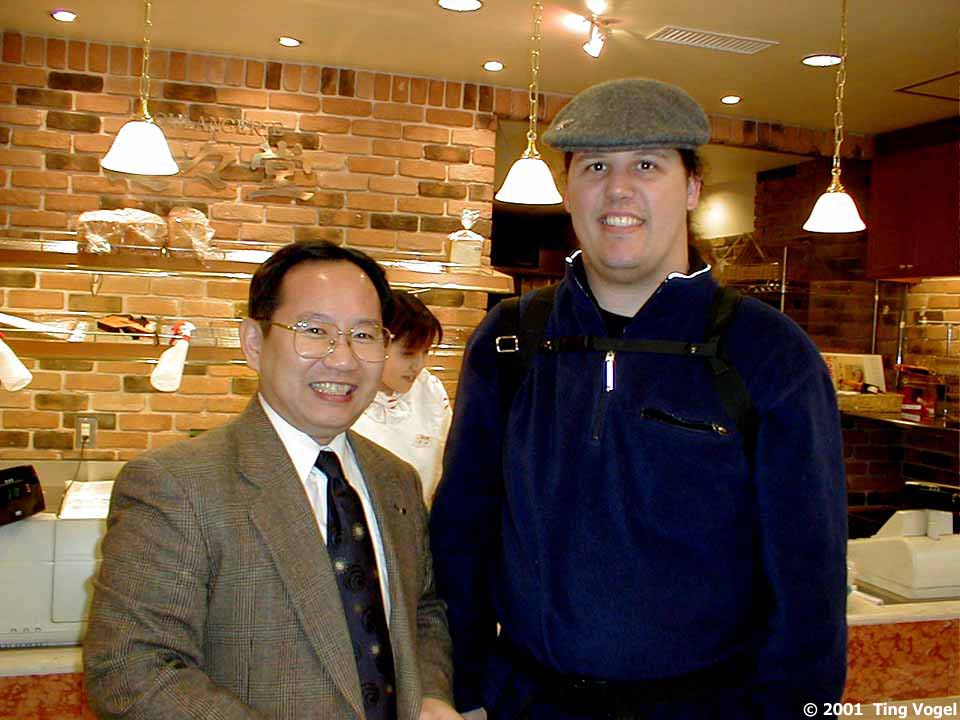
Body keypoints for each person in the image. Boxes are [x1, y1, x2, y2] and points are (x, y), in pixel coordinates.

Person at [429, 78, 848, 720]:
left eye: (647, 165)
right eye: (595, 167)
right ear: (569, 191)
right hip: (529, 702)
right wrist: (463, 691)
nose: (618, 190)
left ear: (692, 187)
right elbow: (462, 534)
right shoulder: (510, 342)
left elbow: (808, 576)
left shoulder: (768, 352)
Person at [84, 241, 461, 720]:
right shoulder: (176, 486)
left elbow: (422, 609)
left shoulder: (396, 480)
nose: (343, 359)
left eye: (364, 335)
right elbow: (131, 668)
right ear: (254, 344)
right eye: (314, 330)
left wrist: (429, 695)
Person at [352, 290, 452, 507]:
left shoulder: (430, 393)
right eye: (408, 353)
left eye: (425, 352)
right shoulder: (344, 400)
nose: (419, 365)